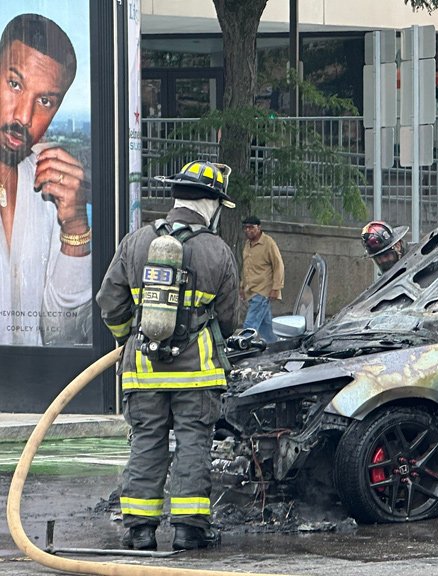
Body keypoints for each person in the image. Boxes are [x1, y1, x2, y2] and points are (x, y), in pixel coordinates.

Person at [96, 160, 239, 551]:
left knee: (146, 443)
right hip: (198, 375)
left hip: (143, 371)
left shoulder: (137, 241)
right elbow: (229, 318)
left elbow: (109, 301)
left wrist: (129, 337)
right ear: (210, 203)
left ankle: (140, 530)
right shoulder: (217, 251)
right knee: (194, 445)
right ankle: (188, 530)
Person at [0, 13, 90, 346]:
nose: (23, 116)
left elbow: (59, 333)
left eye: (45, 101)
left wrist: (76, 228)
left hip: (37, 394)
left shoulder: (48, 183)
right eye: (14, 84)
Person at [240, 215, 285, 342]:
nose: (248, 230)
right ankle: (276, 348)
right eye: (246, 228)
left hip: (262, 291)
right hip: (251, 290)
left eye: (251, 227)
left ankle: (242, 350)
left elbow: (279, 266)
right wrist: (242, 286)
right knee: (266, 328)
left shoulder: (268, 243)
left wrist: (276, 288)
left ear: (259, 227)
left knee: (250, 326)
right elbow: (246, 267)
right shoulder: (247, 244)